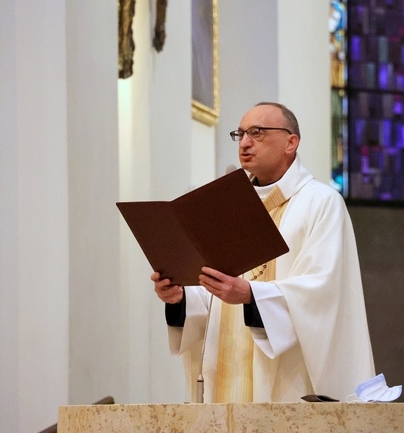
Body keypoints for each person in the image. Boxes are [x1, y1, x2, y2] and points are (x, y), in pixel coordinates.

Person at [152, 102, 375, 403]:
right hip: (225, 380)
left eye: (257, 133)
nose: (244, 143)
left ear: (291, 142)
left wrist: (250, 295)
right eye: (240, 134)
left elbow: (322, 293)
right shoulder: (229, 208)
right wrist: (181, 299)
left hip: (287, 383)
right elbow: (215, 297)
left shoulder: (321, 203)